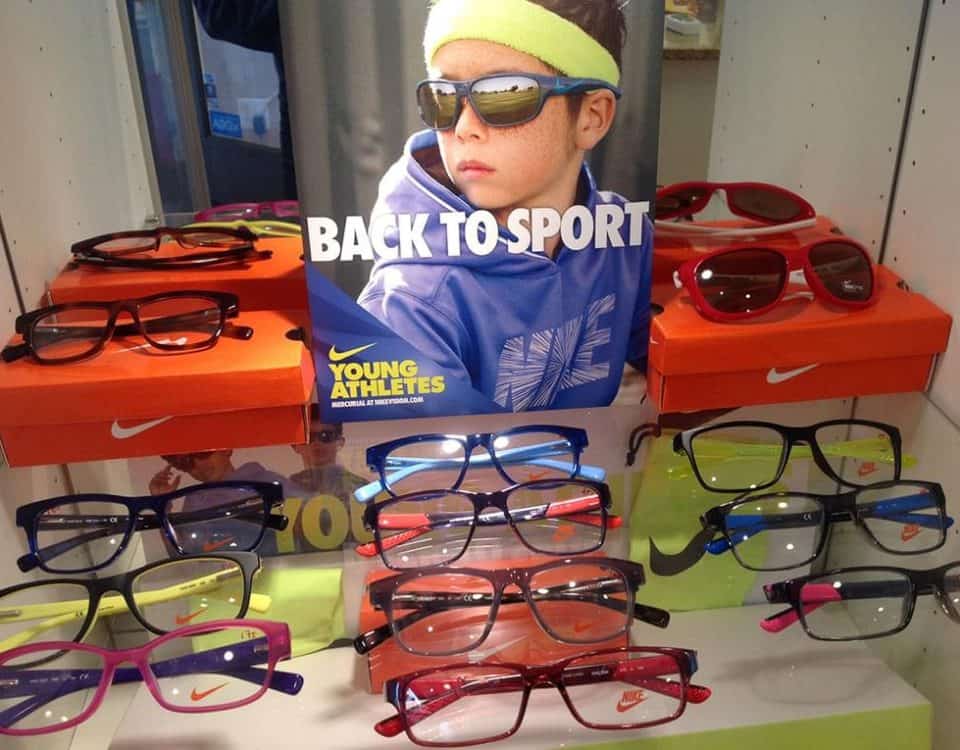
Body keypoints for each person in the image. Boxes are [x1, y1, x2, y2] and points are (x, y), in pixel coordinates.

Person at [356, 0, 652, 413]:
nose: (462, 128)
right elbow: (431, 469)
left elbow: (672, 372)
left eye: (504, 95)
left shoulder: (624, 238)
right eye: (443, 97)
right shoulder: (411, 304)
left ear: (591, 116)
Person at [149, 449, 294, 555]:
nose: (198, 465)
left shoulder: (268, 482)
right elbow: (183, 554)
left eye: (202, 453)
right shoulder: (194, 501)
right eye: (185, 462)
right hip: (222, 583)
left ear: (226, 448)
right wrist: (162, 505)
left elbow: (303, 526)